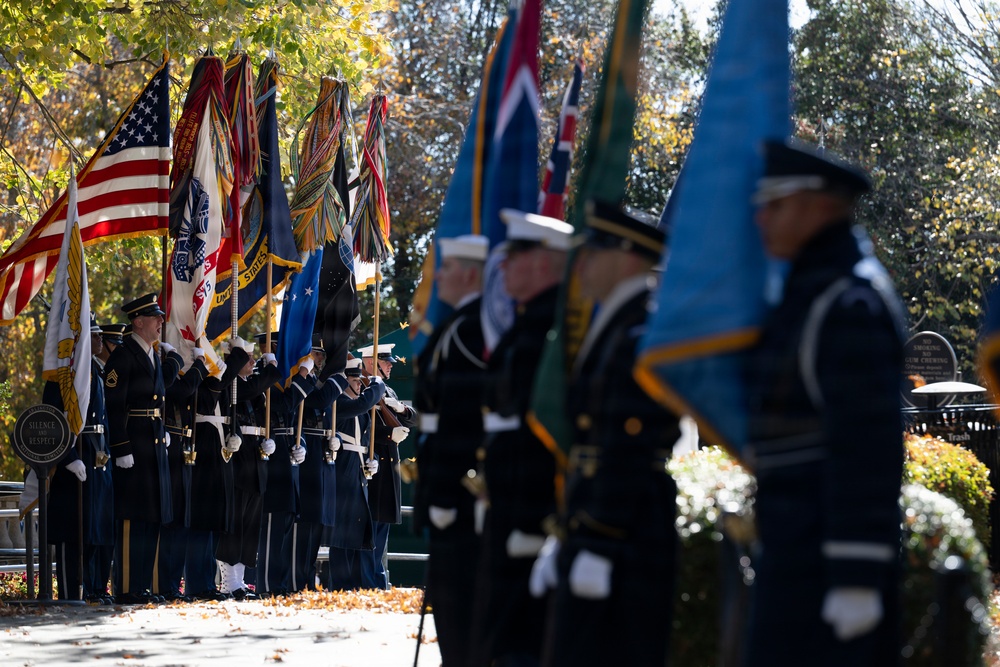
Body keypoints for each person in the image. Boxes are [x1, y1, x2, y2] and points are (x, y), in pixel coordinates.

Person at [743, 139, 905, 666]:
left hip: (825, 571)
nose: (761, 218)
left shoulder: (847, 300)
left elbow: (865, 447)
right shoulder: (812, 290)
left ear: (818, 204)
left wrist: (855, 575)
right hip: (797, 558)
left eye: (776, 204)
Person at [532, 201, 680, 666]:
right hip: (600, 527)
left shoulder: (641, 327)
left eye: (593, 252)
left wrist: (599, 537)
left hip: (626, 535)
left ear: (627, 256)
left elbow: (630, 445)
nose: (583, 264)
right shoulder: (617, 320)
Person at [472, 210, 571, 667]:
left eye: (517, 256)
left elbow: (547, 433)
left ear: (546, 263)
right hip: (507, 506)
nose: (503, 267)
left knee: (522, 644)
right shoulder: (526, 326)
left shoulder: (552, 333)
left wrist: (532, 524)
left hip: (529, 513)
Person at [413, 233, 490, 666]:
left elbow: (464, 423)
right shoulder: (458, 327)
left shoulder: (472, 329)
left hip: (460, 494)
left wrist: (445, 493)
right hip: (449, 490)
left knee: (462, 616)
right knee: (451, 615)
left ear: (469, 274)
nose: (437, 276)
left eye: (447, 268)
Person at [104, 293, 184, 604]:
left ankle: (143, 585)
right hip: (134, 446)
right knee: (132, 519)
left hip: (152, 444)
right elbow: (113, 405)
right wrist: (121, 447)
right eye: (155, 318)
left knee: (152, 517)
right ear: (138, 322)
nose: (161, 322)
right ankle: (127, 587)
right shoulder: (123, 357)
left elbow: (158, 400)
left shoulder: (151, 355)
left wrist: (160, 430)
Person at [43, 320, 113, 602]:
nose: (100, 340)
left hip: (95, 453)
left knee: (93, 529)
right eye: (95, 336)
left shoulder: (95, 371)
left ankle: (92, 588)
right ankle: (73, 591)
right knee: (73, 534)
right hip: (74, 456)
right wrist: (69, 457)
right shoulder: (63, 376)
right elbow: (50, 419)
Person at [217, 341, 285, 600]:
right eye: (246, 357)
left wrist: (268, 441)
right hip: (236, 457)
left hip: (256, 457)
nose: (252, 361)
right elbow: (254, 386)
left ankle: (240, 581)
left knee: (250, 524)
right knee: (234, 523)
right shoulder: (232, 384)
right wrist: (272, 367)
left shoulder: (254, 390)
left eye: (253, 357)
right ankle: (228, 582)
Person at [256, 336, 317, 597]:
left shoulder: (283, 379)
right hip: (269, 460)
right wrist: (303, 375)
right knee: (271, 528)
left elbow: (291, 418)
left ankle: (279, 585)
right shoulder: (262, 376)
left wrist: (300, 442)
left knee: (285, 526)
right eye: (276, 347)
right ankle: (268, 586)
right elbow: (280, 406)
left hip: (287, 461)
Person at [358, 342, 417, 590]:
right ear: (371, 363)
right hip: (369, 464)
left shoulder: (388, 391)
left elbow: (413, 418)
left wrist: (400, 408)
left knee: (381, 527)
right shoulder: (361, 388)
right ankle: (368, 581)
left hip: (387, 465)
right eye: (385, 362)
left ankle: (377, 580)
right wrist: (387, 436)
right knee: (368, 528)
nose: (391, 365)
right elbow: (360, 426)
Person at [325, 356, 386, 590]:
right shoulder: (338, 403)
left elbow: (367, 443)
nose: (359, 384)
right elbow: (362, 404)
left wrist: (374, 460)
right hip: (343, 470)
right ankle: (340, 584)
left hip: (359, 470)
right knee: (341, 531)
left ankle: (353, 583)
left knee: (356, 527)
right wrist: (377, 385)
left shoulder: (361, 412)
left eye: (361, 381)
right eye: (354, 380)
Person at [293, 337, 349, 592]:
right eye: (316, 354)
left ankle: (305, 579)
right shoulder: (300, 378)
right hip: (306, 453)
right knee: (304, 525)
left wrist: (334, 436)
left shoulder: (317, 379)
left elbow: (326, 416)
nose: (320, 359)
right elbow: (316, 401)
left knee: (316, 524)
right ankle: (296, 578)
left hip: (321, 454)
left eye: (321, 355)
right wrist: (338, 380)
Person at [159, 345, 210, 601]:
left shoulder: (175, 374)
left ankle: (172, 584)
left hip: (183, 452)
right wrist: (199, 365)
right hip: (169, 453)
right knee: (170, 523)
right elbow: (182, 391)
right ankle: (164, 584)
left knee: (181, 522)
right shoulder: (162, 374)